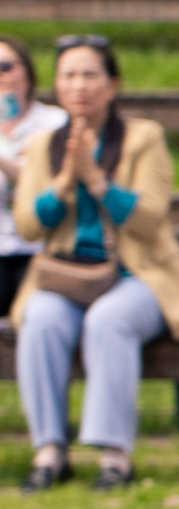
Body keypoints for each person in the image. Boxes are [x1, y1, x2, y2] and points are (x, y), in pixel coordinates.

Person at [10, 37, 179, 492]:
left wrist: (97, 180)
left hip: (137, 276)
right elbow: (28, 226)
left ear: (113, 84)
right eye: (69, 75)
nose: (79, 85)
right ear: (57, 85)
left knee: (109, 319)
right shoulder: (44, 145)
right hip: (67, 276)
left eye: (90, 75)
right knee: (40, 319)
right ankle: (49, 452)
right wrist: (65, 181)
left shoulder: (144, 138)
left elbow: (150, 219)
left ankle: (114, 457)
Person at [0, 35, 67, 316]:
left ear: (27, 71)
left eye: (5, 66)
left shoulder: (55, 123)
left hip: (44, 246)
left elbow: (53, 185)